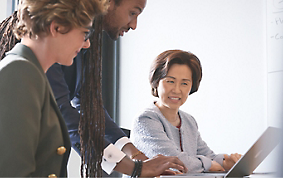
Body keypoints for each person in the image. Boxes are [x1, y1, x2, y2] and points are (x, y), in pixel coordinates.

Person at [0, 0, 107, 177]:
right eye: (84, 33)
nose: (87, 44)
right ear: (57, 27)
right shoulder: (18, 74)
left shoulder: (28, 73)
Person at [45, 0, 187, 176]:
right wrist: (135, 168)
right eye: (133, 13)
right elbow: (62, 114)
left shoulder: (84, 43)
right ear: (109, 3)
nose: (134, 25)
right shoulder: (49, 42)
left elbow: (91, 107)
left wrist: (134, 154)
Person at [131, 49, 242, 173]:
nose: (177, 90)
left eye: (184, 83)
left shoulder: (188, 120)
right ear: (156, 82)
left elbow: (206, 155)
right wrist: (208, 164)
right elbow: (175, 162)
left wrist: (226, 162)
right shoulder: (145, 119)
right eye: (170, 81)